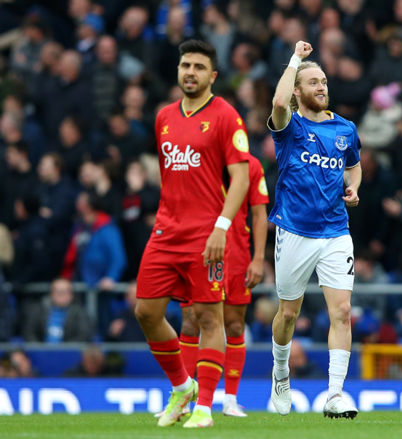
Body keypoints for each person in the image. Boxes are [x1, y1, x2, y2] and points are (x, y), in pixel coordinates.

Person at [134, 40, 250, 428]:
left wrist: (221, 227)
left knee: (208, 317)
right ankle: (182, 386)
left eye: (199, 67)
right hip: (166, 231)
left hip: (206, 235)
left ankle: (204, 407)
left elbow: (240, 179)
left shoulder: (226, 116)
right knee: (146, 312)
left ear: (212, 76)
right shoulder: (164, 117)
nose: (190, 72)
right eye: (186, 65)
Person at [267, 40, 361, 419]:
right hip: (294, 229)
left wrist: (354, 187)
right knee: (288, 314)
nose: (321, 87)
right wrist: (295, 59)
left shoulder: (344, 128)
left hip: (336, 231)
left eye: (323, 81)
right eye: (313, 82)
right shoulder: (289, 127)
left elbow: (353, 164)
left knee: (342, 311)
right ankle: (280, 372)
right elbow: (277, 103)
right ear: (297, 91)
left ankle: (335, 394)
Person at [173, 154, 269, 417]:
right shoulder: (195, 158)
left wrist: (258, 259)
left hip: (237, 255)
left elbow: (259, 214)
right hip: (198, 252)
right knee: (191, 322)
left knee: (235, 325)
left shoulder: (251, 166)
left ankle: (230, 400)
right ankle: (182, 400)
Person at [23, 278, 93, 343]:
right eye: (58, 292)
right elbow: (29, 332)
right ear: (51, 294)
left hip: (70, 351)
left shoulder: (79, 312)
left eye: (64, 292)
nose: (61, 295)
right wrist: (39, 348)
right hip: (40, 351)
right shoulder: (38, 310)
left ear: (71, 295)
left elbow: (83, 334)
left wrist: (66, 349)